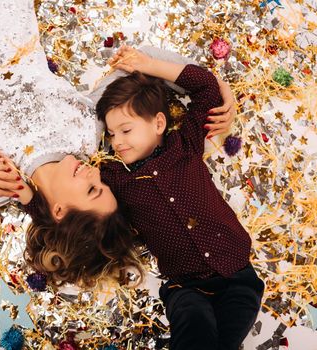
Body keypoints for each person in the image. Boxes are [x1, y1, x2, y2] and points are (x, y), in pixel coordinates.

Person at [0, 0, 236, 286]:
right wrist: (216, 87)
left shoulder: (0, 183)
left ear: (59, 212)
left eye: (92, 191)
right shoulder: (88, 132)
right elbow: (141, 65)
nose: (95, 175)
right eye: (102, 186)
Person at [84, 46, 264, 350]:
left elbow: (206, 87)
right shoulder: (115, 178)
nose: (117, 141)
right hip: (185, 287)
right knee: (194, 329)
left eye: (125, 130)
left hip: (237, 275)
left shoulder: (186, 144)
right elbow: (73, 165)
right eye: (112, 134)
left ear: (158, 123)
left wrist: (149, 64)